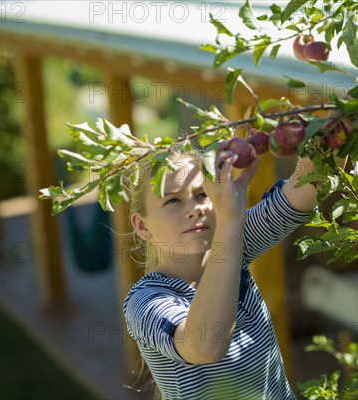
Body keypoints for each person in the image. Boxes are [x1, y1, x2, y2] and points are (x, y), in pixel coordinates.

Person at [122, 145, 318, 400]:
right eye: (172, 200)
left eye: (203, 194)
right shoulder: (145, 301)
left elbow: (305, 190)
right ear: (142, 226)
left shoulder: (233, 243)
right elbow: (206, 346)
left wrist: (329, 126)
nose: (195, 209)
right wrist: (229, 223)